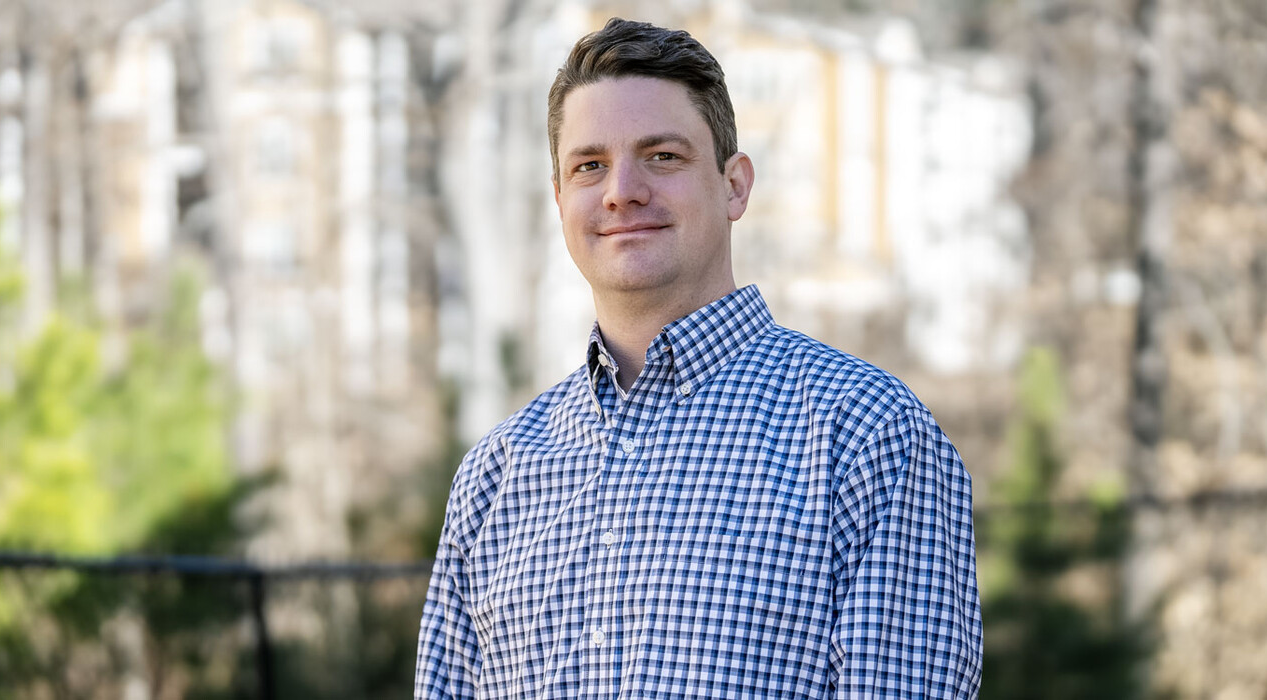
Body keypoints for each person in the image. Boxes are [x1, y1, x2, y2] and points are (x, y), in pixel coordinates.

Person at [416, 17, 981, 699]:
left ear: (735, 186)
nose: (621, 189)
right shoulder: (497, 474)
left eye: (662, 156)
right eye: (589, 165)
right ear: (561, 198)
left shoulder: (865, 435)